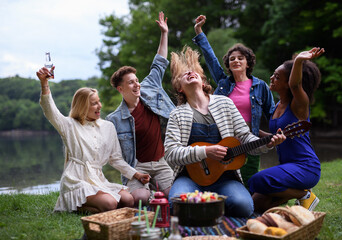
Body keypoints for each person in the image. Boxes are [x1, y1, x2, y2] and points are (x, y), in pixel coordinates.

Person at [164, 46, 285, 218]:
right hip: (188, 177)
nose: (190, 73)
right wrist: (206, 151)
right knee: (176, 203)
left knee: (244, 206)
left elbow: (245, 137)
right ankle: (209, 206)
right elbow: (171, 153)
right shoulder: (177, 114)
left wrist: (267, 144)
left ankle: (204, 206)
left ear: (204, 83)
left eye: (194, 73)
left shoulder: (225, 104)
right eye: (185, 75)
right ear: (180, 89)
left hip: (225, 177)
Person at [36, 67, 150, 213]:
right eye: (94, 103)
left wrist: (136, 174)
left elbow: (115, 159)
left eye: (99, 101)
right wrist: (44, 84)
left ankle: (102, 209)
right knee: (110, 204)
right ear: (83, 106)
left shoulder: (108, 126)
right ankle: (71, 206)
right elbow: (50, 110)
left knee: (128, 200)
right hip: (76, 180)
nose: (100, 106)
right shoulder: (70, 125)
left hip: (98, 180)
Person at [192, 15, 275, 189]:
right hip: (223, 141)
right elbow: (210, 58)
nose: (236, 60)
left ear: (248, 63)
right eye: (232, 59)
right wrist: (199, 31)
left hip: (249, 142)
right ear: (228, 65)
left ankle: (251, 213)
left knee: (250, 184)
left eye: (240, 58)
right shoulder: (224, 83)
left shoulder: (260, 86)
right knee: (222, 182)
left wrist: (273, 134)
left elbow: (272, 114)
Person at [106, 11, 175, 206]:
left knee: (174, 196)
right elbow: (115, 156)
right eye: (131, 83)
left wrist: (164, 33)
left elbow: (160, 63)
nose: (137, 85)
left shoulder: (150, 88)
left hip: (162, 162)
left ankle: (157, 190)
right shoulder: (114, 119)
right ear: (121, 89)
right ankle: (146, 192)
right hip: (137, 166)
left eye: (137, 81)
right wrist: (134, 174)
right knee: (140, 199)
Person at [248, 47, 325, 213]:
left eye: (277, 77)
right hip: (287, 167)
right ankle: (292, 209)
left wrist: (298, 61)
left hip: (305, 167)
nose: (272, 78)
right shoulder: (277, 106)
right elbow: (276, 137)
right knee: (255, 204)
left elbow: (295, 84)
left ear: (287, 83)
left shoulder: (298, 105)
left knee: (255, 181)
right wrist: (252, 131)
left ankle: (303, 195)